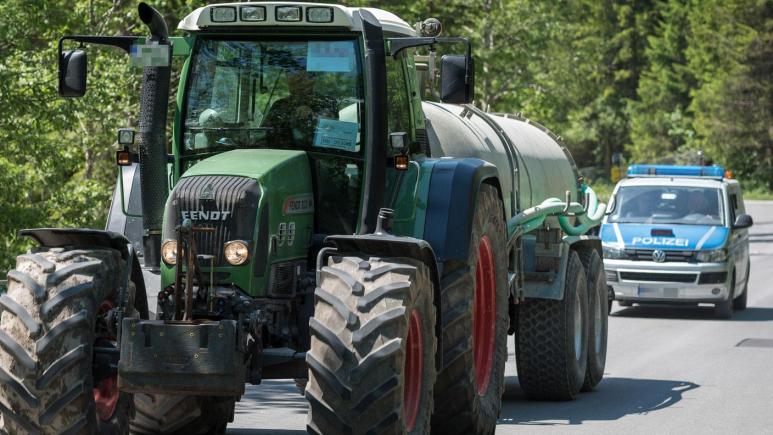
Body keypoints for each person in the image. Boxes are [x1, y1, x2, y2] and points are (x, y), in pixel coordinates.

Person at [262, 70, 337, 147]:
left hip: (316, 154)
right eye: (294, 82)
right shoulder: (279, 105)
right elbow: (264, 133)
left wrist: (314, 117)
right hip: (282, 154)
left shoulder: (327, 102)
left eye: (302, 80)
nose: (298, 85)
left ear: (313, 80)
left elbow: (332, 132)